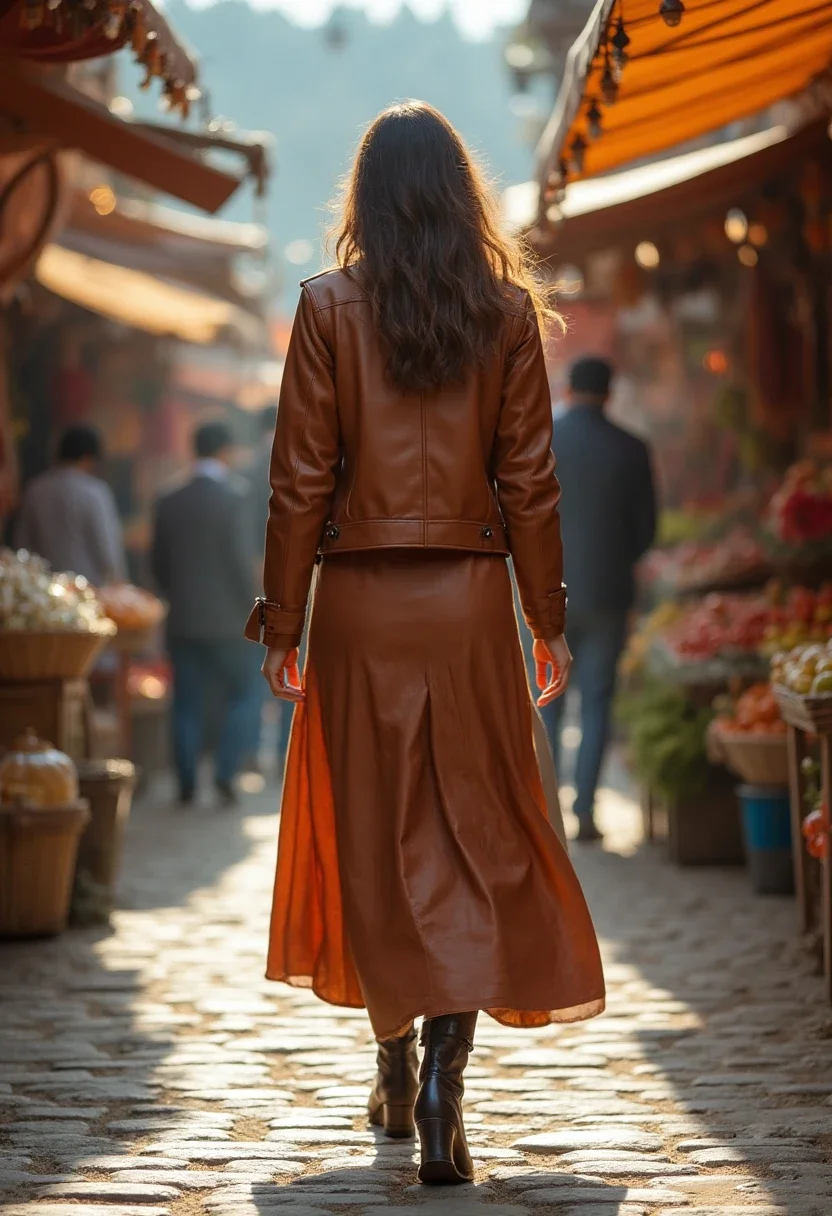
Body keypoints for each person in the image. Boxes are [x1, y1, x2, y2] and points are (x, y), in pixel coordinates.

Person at [245, 101, 604, 1187]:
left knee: (374, 836)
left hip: (356, 607)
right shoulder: (501, 314)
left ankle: (395, 1061)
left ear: (361, 195)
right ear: (461, 196)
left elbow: (299, 479)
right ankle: (450, 1074)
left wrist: (282, 617)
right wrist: (545, 617)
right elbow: (530, 482)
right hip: (466, 604)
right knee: (471, 831)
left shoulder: (323, 308)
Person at [545, 356, 657, 843]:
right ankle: (585, 811)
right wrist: (613, 563)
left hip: (547, 593)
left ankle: (545, 810)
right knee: (596, 703)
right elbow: (646, 531)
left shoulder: (543, 441)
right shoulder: (631, 448)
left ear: (568, 389)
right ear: (609, 393)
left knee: (548, 700)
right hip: (608, 595)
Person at [152, 422, 256, 808]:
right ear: (225, 450)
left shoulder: (169, 499)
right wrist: (252, 603)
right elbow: (239, 563)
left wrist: (176, 596)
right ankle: (226, 772)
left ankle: (187, 781)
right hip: (230, 621)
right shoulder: (235, 498)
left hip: (183, 619)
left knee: (186, 702)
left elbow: (158, 563)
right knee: (242, 696)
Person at [242, 405, 293, 773]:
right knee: (292, 666)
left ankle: (248, 753)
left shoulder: (245, 471)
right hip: (293, 580)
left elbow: (240, 536)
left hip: (253, 584)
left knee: (254, 673)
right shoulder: (302, 461)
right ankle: (284, 755)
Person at [15, 425, 126, 585]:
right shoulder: (95, 492)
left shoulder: (35, 490)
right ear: (90, 457)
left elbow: (22, 546)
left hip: (44, 591)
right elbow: (106, 547)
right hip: (88, 590)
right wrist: (119, 583)